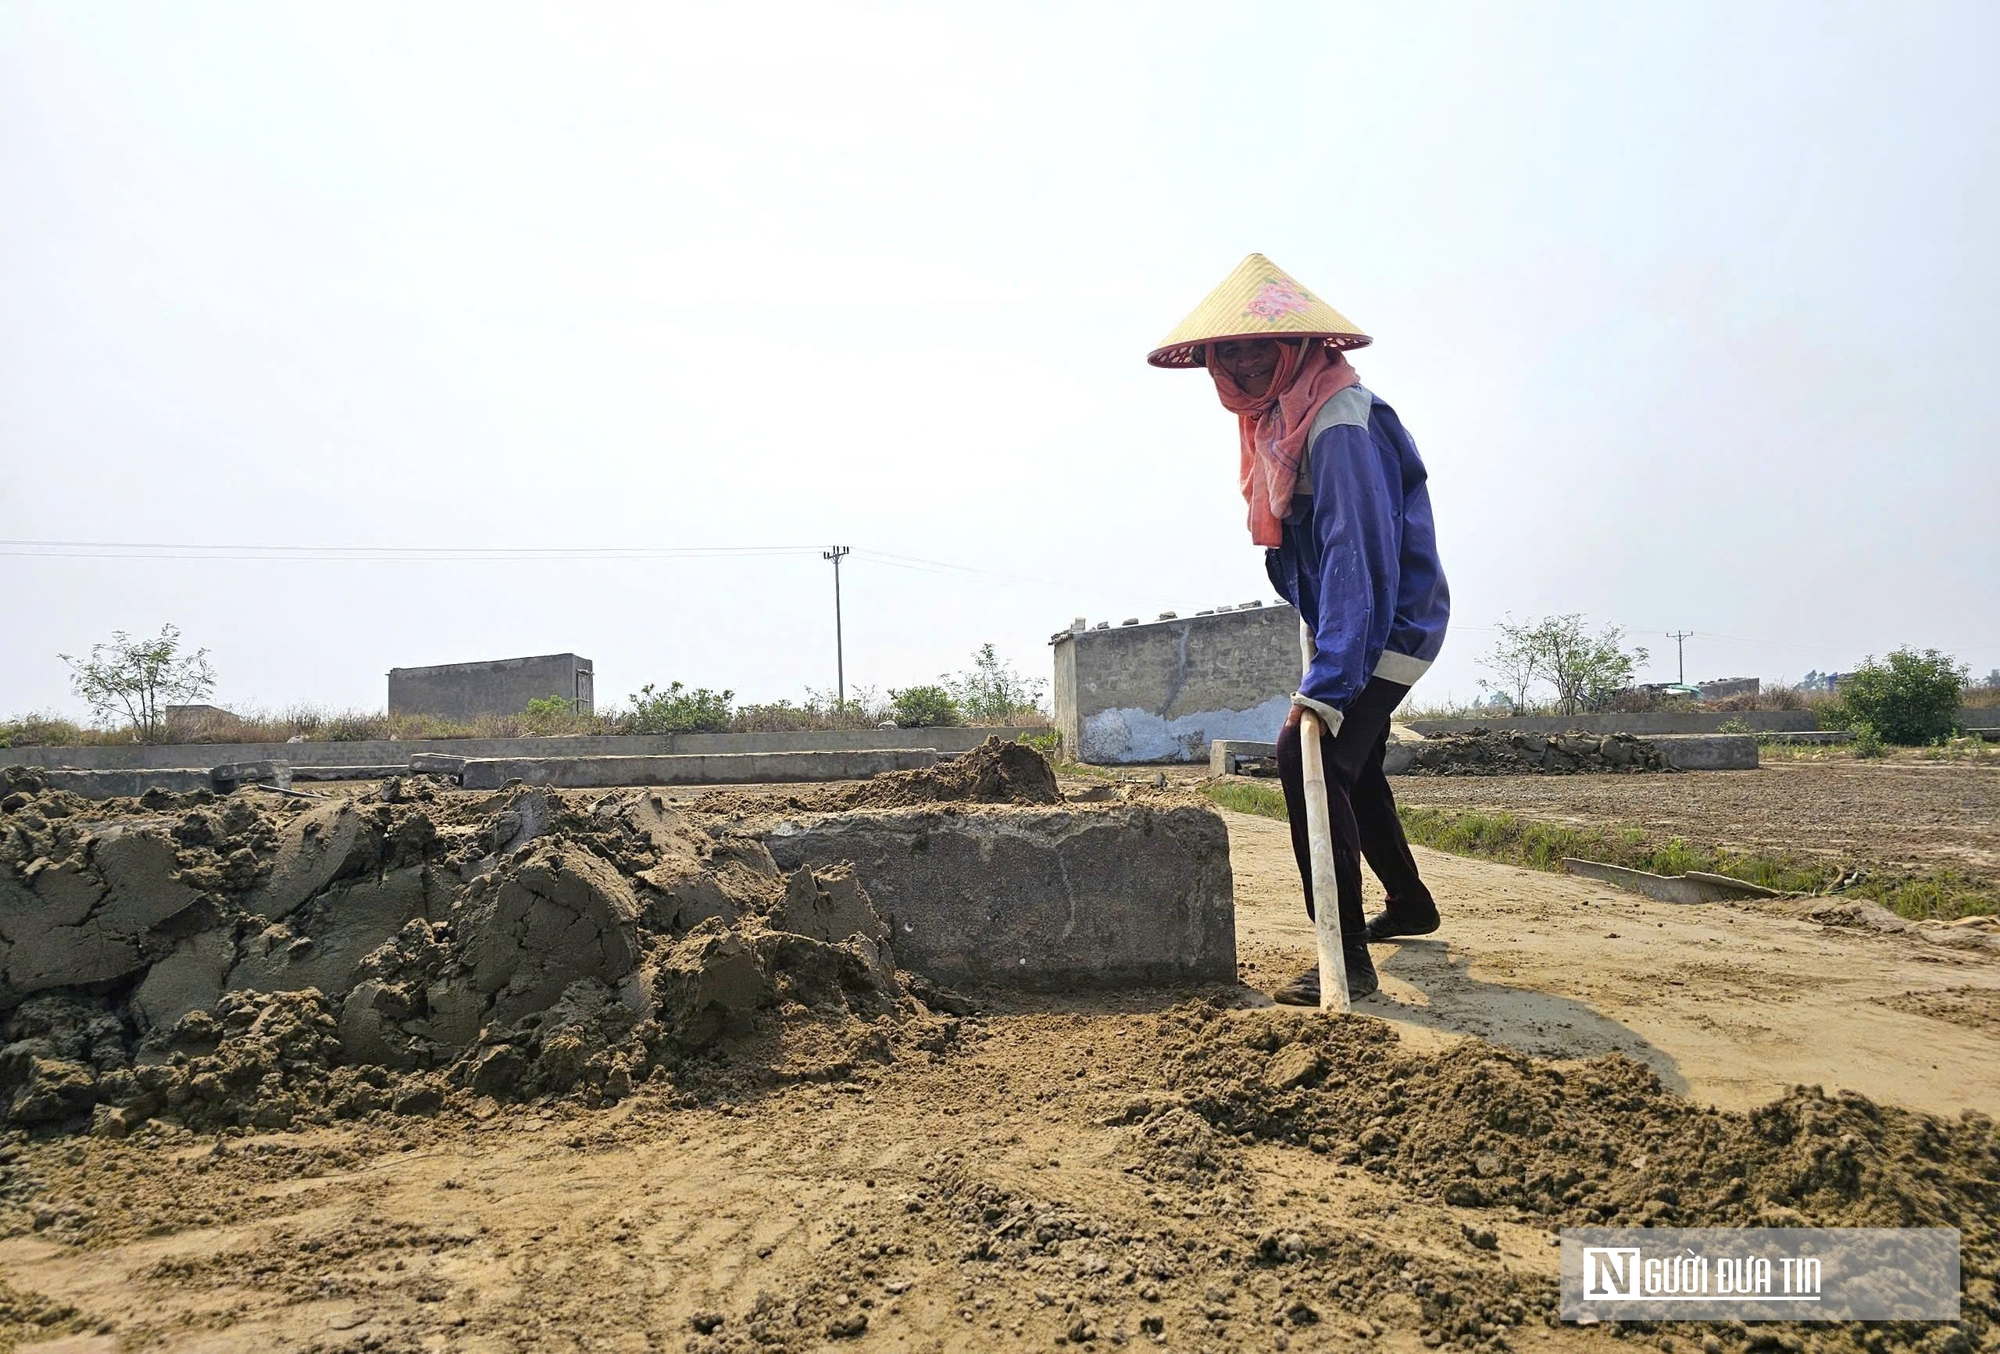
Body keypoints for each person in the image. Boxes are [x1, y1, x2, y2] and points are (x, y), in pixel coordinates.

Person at [1149, 254, 1450, 1005]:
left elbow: (1360, 551)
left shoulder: (1339, 422)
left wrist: (1330, 680)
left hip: (1388, 623)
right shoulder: (1278, 420)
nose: (1243, 363)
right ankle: (1410, 904)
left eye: (1258, 348)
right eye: (1229, 351)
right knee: (1357, 764)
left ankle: (1343, 959)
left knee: (1304, 753)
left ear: (1297, 350)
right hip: (1353, 620)